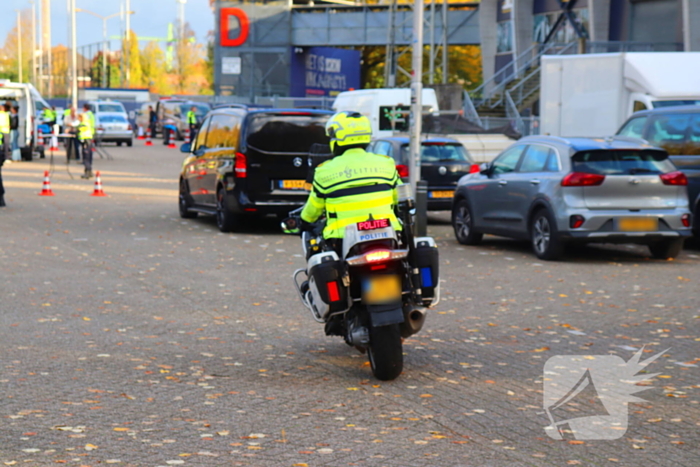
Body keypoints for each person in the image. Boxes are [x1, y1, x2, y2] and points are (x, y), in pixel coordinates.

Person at [296, 111, 401, 253]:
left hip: (341, 240)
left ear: (338, 139)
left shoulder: (324, 171)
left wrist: (303, 221)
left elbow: (313, 209)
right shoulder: (386, 163)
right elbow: (400, 200)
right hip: (388, 234)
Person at [77, 113, 94, 179]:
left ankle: (87, 172)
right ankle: (89, 172)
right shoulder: (87, 123)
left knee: (86, 158)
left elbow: (79, 130)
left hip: (86, 142)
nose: (78, 119)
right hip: (88, 141)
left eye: (79, 118)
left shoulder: (83, 124)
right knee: (88, 157)